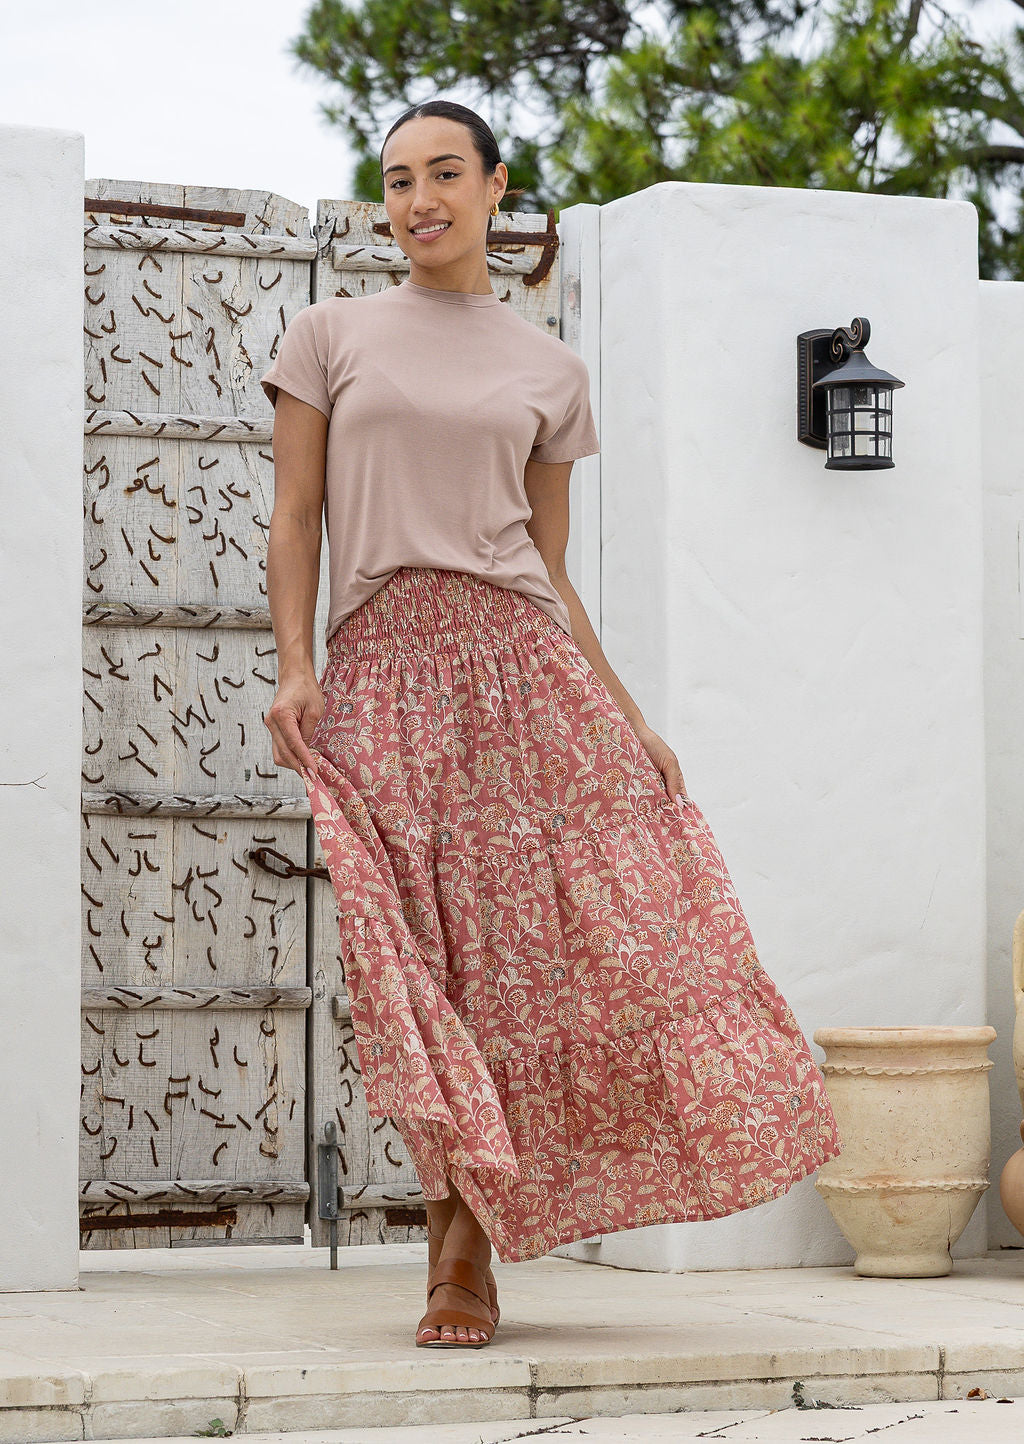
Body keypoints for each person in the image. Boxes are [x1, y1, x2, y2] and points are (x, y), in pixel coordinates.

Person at [260, 99, 843, 1352]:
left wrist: (629, 719)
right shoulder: (328, 334)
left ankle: (465, 1250)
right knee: (407, 958)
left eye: (446, 174)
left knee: (541, 959)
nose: (421, 199)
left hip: (521, 674)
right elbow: (296, 514)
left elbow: (546, 565)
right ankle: (450, 1221)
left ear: (493, 185)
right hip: (384, 671)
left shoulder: (549, 371)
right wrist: (295, 666)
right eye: (400, 179)